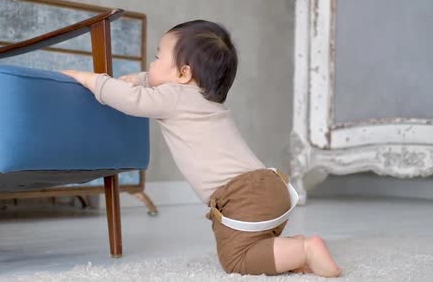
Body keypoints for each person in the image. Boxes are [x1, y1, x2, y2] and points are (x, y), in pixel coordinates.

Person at [61, 20, 341, 277]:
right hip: (270, 185)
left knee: (236, 260)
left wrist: (91, 79)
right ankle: (290, 255)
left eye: (158, 57)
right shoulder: (203, 99)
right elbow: (154, 83)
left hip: (240, 197)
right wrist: (141, 77)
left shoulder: (172, 97)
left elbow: (131, 100)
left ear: (184, 73)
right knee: (256, 245)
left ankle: (305, 249)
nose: (152, 64)